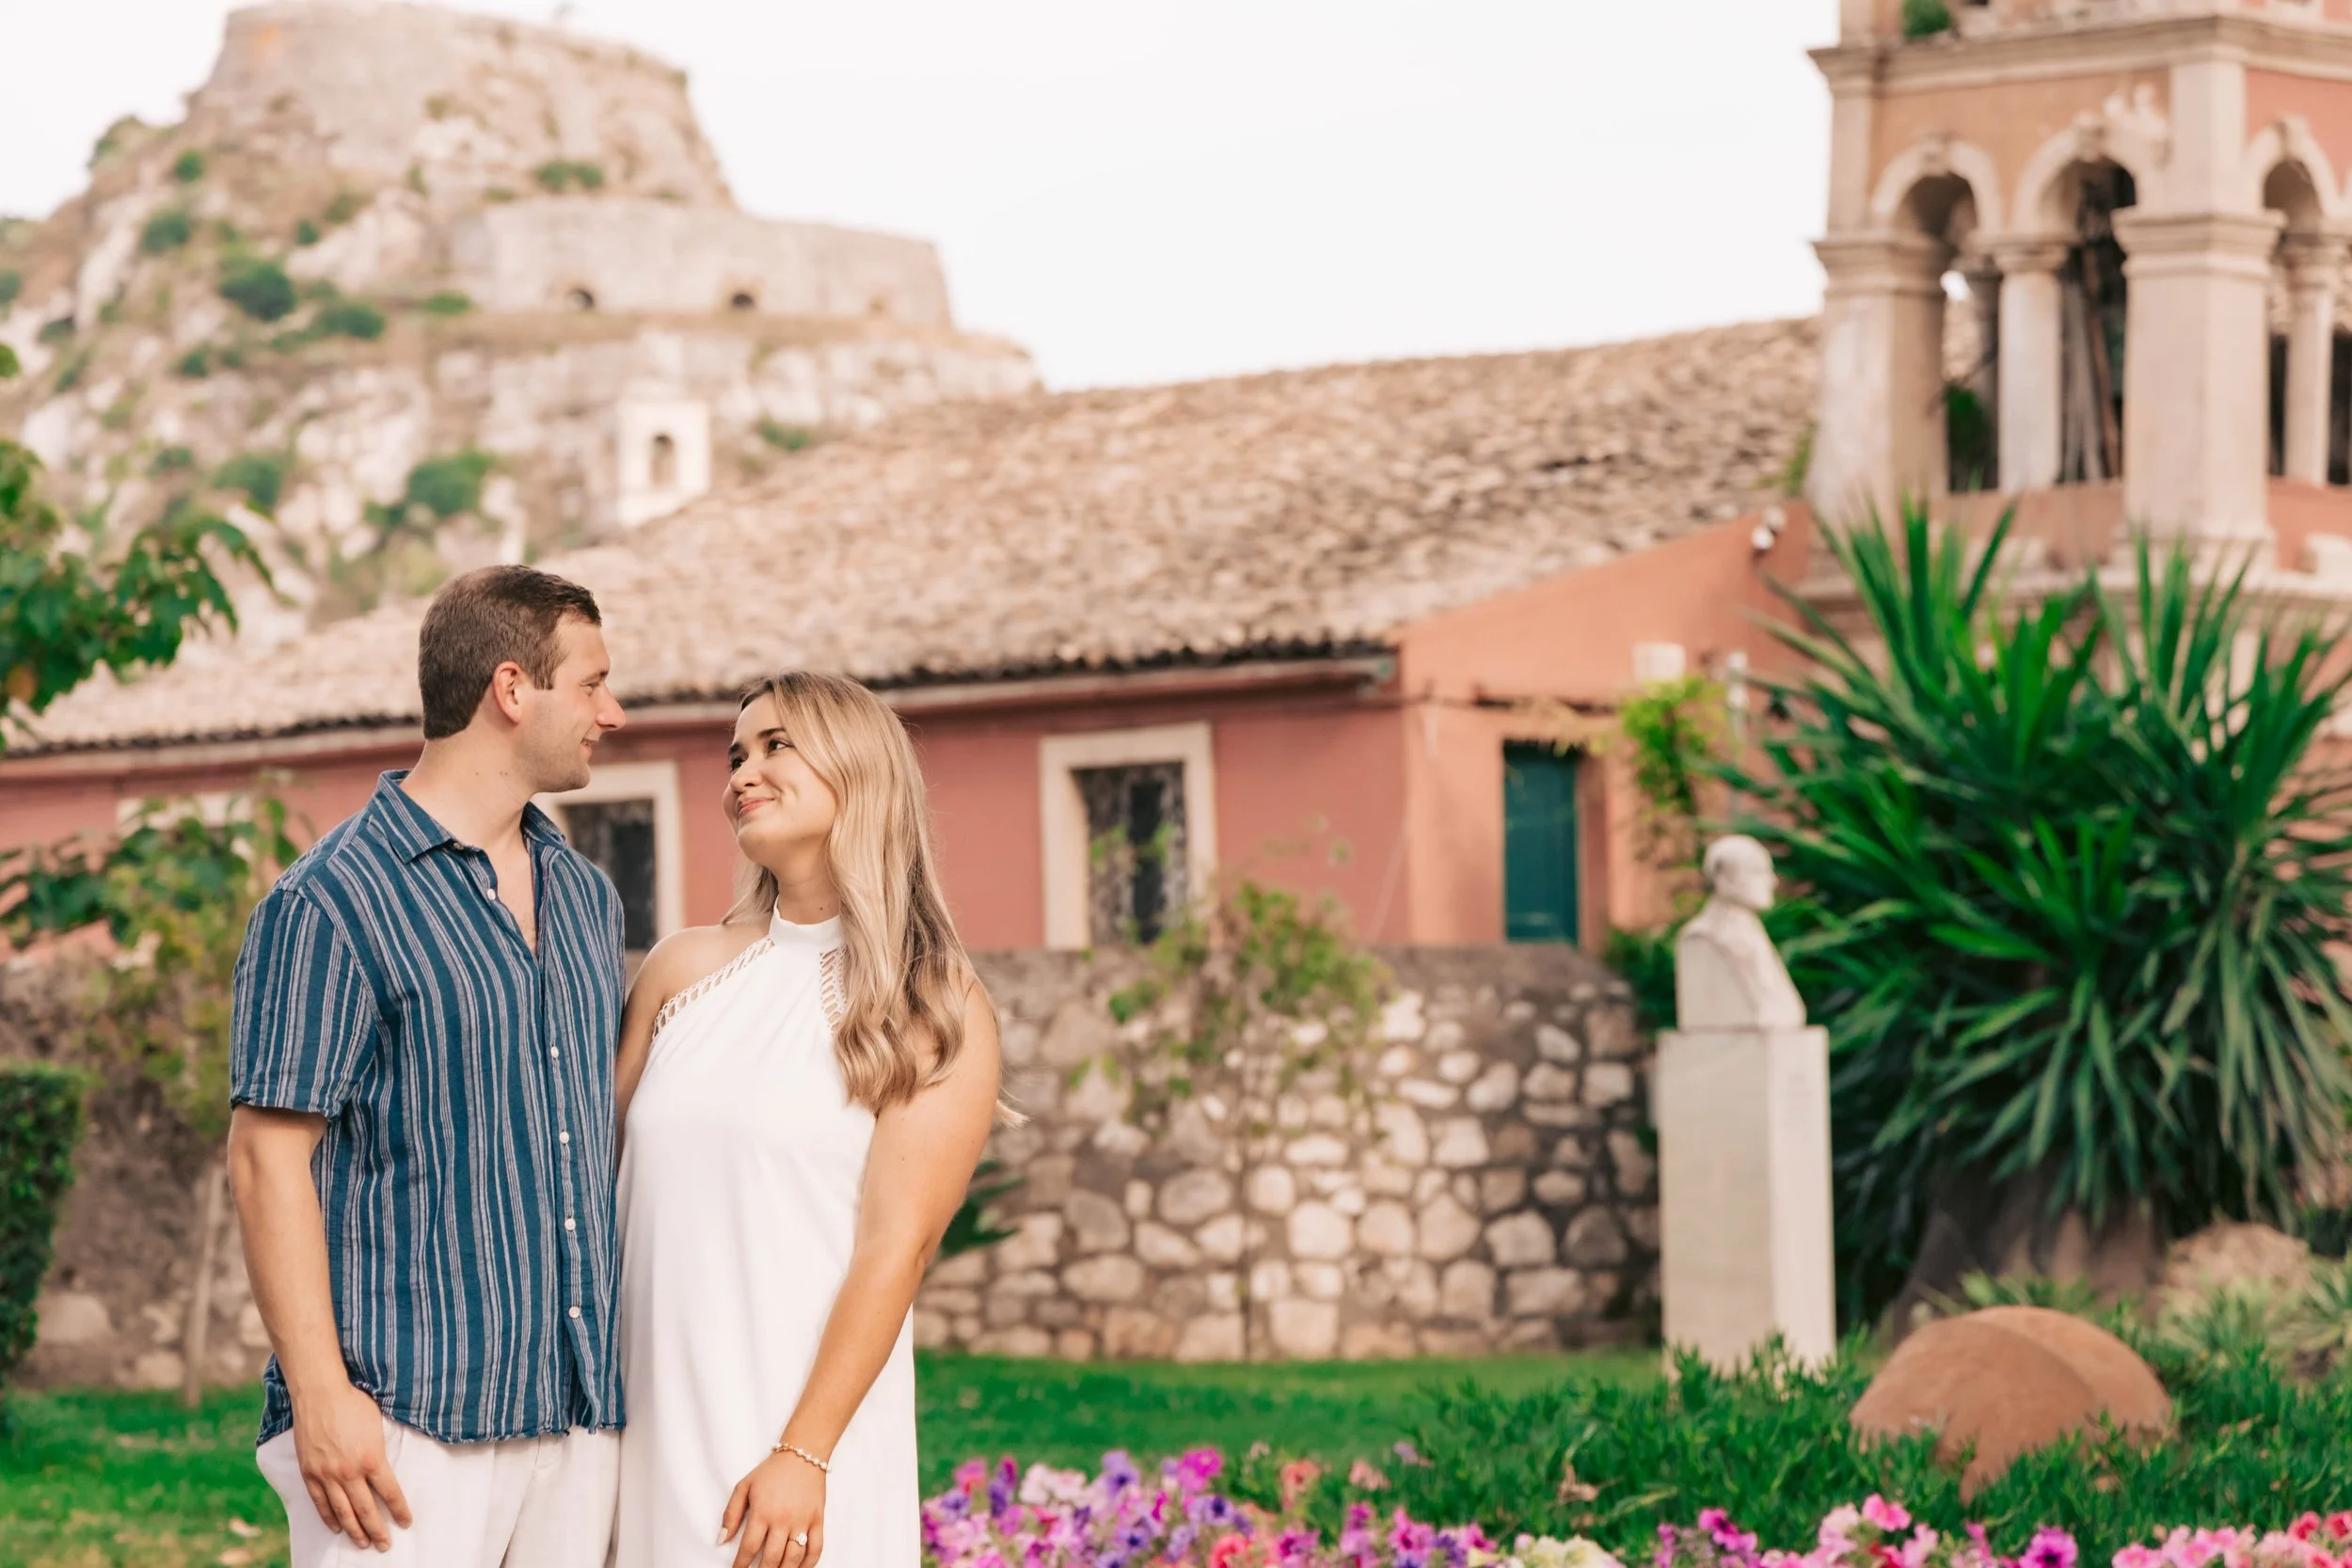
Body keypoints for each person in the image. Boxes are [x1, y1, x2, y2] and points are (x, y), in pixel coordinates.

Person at [226, 565, 630, 1567]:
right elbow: (265, 1159)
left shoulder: (588, 900)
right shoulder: (330, 902)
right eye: (590, 683)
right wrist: (321, 1395)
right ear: (509, 688)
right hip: (404, 1429)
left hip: (577, 1420)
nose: (611, 712)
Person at [613, 671, 1002, 1568]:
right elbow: (590, 1192)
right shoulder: (680, 972)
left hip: (804, 1442)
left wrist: (803, 1450)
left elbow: (895, 1248)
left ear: (858, 768)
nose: (742, 772)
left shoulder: (932, 1001)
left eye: (775, 745)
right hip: (647, 1420)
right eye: (735, 755)